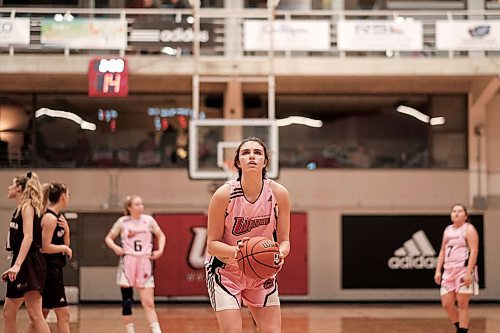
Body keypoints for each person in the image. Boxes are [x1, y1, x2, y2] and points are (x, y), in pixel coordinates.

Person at [205, 137, 291, 333]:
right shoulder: (223, 195)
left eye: (257, 153)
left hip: (261, 273)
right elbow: (212, 245)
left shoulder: (279, 194)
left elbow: (284, 241)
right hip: (225, 271)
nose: (252, 156)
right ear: (237, 162)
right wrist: (241, 253)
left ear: (265, 161)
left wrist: (279, 254)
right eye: (245, 153)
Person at [104, 195, 166, 333]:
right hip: (128, 261)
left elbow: (161, 235)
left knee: (148, 303)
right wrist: (116, 248)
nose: (141, 206)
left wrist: (160, 250)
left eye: (141, 204)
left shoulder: (148, 220)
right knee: (127, 301)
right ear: (129, 207)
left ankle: (157, 331)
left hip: (144, 261)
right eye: (137, 204)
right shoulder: (123, 222)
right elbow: (108, 238)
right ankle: (130, 331)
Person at [2, 172, 50, 333]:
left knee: (35, 313)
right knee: (9, 312)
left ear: (19, 188)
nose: (9, 187)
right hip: (23, 261)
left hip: (29, 262)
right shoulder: (19, 208)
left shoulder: (27, 206)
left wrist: (17, 265)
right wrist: (14, 265)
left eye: (12, 184)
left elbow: (29, 237)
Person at [434, 204, 479, 333]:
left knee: (462, 304)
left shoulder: (469, 229)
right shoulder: (447, 230)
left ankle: (462, 331)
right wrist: (438, 270)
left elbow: (474, 251)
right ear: (451, 215)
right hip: (448, 271)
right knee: (447, 304)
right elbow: (442, 251)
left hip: (463, 270)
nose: (456, 213)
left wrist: (469, 272)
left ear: (466, 215)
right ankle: (460, 327)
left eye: (460, 211)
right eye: (454, 211)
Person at [38, 182, 72, 333]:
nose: (69, 197)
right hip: (49, 271)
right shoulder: (49, 218)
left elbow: (66, 246)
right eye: (68, 194)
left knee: (41, 315)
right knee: (63, 314)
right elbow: (44, 248)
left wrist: (67, 231)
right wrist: (64, 247)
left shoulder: (59, 218)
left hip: (56, 269)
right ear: (63, 196)